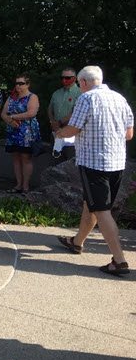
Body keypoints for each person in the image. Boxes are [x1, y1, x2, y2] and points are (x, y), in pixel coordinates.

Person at [55, 66, 133, 276]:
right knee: (92, 204)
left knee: (101, 209)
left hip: (94, 164)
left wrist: (59, 134)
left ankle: (119, 260)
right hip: (117, 163)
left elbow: (73, 128)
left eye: (79, 84)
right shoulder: (120, 99)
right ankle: (77, 242)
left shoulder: (86, 99)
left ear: (83, 82)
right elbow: (129, 134)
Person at [1, 74, 41, 194]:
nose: (18, 86)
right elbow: (3, 113)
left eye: (21, 83)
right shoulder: (12, 97)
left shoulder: (32, 97)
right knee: (16, 157)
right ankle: (18, 184)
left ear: (27, 84)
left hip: (26, 132)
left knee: (25, 158)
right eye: (17, 83)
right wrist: (9, 120)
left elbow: (31, 113)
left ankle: (26, 186)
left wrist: (13, 117)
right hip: (13, 131)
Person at [47, 67, 81, 163]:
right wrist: (52, 122)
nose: (64, 80)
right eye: (62, 78)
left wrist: (60, 122)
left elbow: (77, 112)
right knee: (56, 163)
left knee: (70, 164)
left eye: (67, 78)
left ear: (74, 78)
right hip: (56, 132)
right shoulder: (57, 93)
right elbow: (50, 109)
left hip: (71, 134)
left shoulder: (79, 93)